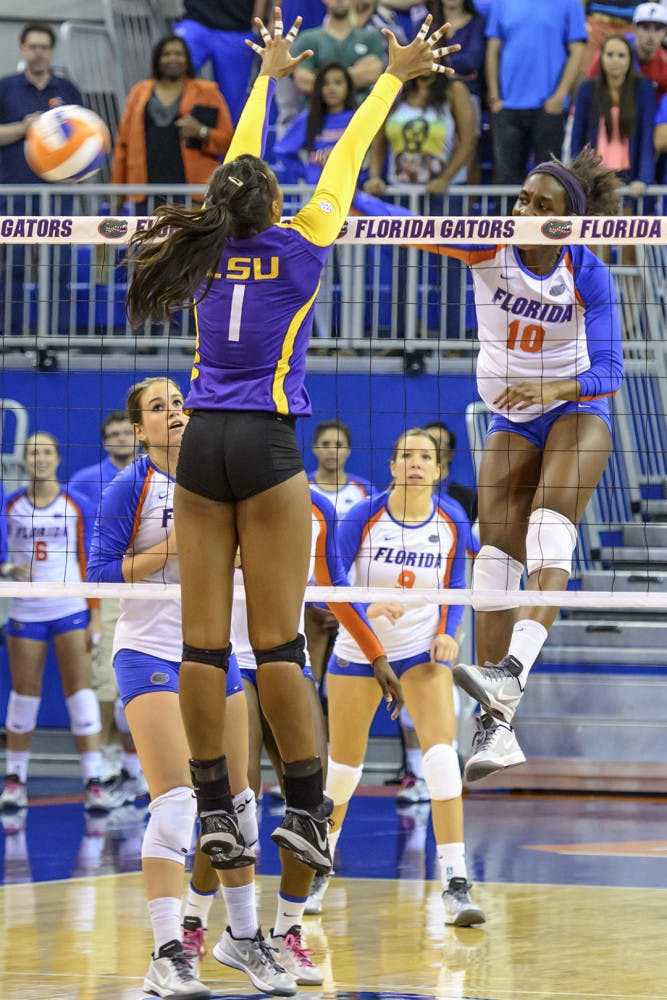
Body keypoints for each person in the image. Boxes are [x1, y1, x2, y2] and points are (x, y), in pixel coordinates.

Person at [123, 8, 453, 885]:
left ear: (220, 202)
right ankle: (305, 812)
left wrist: (265, 78)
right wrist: (393, 74)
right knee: (273, 646)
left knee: (202, 647)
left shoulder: (194, 249)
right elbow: (345, 154)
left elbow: (236, 169)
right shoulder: (304, 246)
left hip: (199, 447)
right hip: (266, 446)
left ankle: (216, 810)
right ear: (275, 203)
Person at [87, 377, 293, 999]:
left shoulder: (223, 480)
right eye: (159, 408)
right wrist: (179, 546)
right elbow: (101, 573)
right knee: (178, 804)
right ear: (140, 429)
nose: (174, 414)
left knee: (240, 805)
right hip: (149, 652)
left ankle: (246, 938)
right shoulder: (129, 487)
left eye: (180, 403)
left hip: (213, 656)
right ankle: (167, 954)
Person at [424, 147, 624, 781]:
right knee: (493, 556)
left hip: (577, 408)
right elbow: (403, 222)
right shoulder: (490, 249)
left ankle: (511, 673)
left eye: (543, 206)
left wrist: (553, 391)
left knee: (546, 530)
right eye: (522, 200)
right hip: (513, 418)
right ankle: (497, 727)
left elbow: (612, 371)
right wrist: (335, 202)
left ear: (569, 220)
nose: (526, 212)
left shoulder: (587, 272)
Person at [185, 484, 389, 984]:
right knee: (237, 802)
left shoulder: (314, 504)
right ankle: (193, 922)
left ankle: (287, 934)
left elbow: (333, 581)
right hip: (228, 662)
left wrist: (376, 653)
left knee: (312, 803)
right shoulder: (209, 494)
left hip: (286, 662)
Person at [309, 428, 485, 926]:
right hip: (360, 652)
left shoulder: (451, 517)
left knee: (442, 760)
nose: (414, 463)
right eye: (405, 454)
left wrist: (450, 630)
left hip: (421, 654)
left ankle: (455, 882)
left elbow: (456, 582)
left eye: (424, 457)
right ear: (391, 466)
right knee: (343, 770)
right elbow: (325, 588)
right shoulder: (362, 515)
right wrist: (366, 605)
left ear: (440, 469)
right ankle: (318, 867)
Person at [0, 433, 114, 813]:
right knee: (24, 695)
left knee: (80, 694)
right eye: (33, 452)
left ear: (58, 459)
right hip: (26, 610)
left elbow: (88, 561)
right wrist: (6, 568)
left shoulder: (75, 504)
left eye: (47, 451)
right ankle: (15, 780)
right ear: (26, 460)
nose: (40, 458)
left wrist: (95, 614)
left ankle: (94, 781)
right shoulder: (10, 505)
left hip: (71, 609)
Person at [70, 410, 140, 792]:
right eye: (111, 434)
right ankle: (109, 756)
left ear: (137, 434)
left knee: (144, 673)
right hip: (108, 585)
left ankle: (135, 762)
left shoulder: (156, 476)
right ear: (104, 440)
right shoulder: (84, 482)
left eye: (123, 432)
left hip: (149, 583)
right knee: (104, 680)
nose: (119, 439)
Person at [0, 23, 82, 335]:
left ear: (51, 51)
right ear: (22, 49)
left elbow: (83, 137)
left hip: (57, 193)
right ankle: (10, 335)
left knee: (59, 265)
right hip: (14, 191)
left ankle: (58, 335)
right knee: (13, 266)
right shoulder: (6, 87)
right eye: (32, 46)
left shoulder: (66, 89)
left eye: (44, 47)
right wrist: (24, 128)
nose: (38, 52)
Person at [112, 35, 233, 208]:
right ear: (157, 59)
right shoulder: (139, 92)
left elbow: (228, 140)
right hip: (145, 194)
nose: (173, 58)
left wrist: (201, 131)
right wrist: (118, 191)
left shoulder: (208, 92)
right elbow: (122, 145)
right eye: (166, 54)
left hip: (194, 193)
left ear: (187, 59)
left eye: (178, 54)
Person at [485, 0, 586, 184]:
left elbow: (578, 50)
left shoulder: (570, 4)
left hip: (550, 108)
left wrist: (560, 95)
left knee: (548, 184)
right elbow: (493, 50)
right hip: (508, 107)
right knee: (507, 185)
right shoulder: (501, 3)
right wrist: (494, 97)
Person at [571, 34, 657, 200]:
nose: (615, 60)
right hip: (595, 179)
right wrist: (579, 177)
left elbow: (647, 136)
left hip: (631, 179)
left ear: (630, 60)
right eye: (609, 54)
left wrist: (643, 179)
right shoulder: (587, 88)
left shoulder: (643, 88)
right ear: (601, 58)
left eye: (621, 55)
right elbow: (577, 136)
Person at [363, 67, 475, 193]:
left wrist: (444, 179)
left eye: (432, 54)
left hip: (444, 192)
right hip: (399, 191)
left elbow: (468, 142)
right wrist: (375, 177)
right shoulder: (396, 90)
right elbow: (379, 140)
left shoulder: (454, 90)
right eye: (422, 54)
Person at [173, 1, 259, 125]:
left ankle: (228, 142)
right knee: (170, 73)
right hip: (195, 21)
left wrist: (257, 22)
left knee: (232, 106)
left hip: (238, 28)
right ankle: (164, 133)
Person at [272, 62, 358, 183]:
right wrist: (307, 173)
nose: (331, 88)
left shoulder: (358, 117)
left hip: (353, 188)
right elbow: (282, 151)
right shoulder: (308, 118)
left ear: (348, 86)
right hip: (316, 190)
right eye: (325, 83)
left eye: (338, 82)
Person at [290, 0, 388, 102]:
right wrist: (354, 74)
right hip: (318, 114)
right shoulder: (307, 39)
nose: (339, 0)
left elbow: (372, 74)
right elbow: (303, 81)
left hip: (359, 112)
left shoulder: (370, 37)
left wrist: (320, 77)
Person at [586, 4, 667, 101]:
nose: (651, 36)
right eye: (645, 28)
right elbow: (588, 89)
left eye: (658, 29)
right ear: (634, 28)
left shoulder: (665, 63)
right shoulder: (612, 51)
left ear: (665, 32)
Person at [424, 420, 478, 525]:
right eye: (427, 440)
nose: (431, 446)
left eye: (438, 441)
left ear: (450, 453)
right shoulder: (402, 495)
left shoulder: (470, 500)